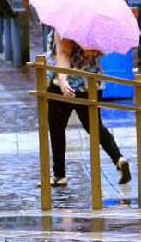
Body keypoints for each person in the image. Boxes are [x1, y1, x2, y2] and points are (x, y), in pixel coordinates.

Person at [46, 29, 131, 187]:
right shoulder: (93, 28)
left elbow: (63, 53)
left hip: (66, 86)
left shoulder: (64, 25)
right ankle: (118, 159)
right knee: (94, 126)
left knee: (56, 127)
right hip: (91, 83)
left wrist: (63, 81)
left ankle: (59, 174)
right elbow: (99, 53)